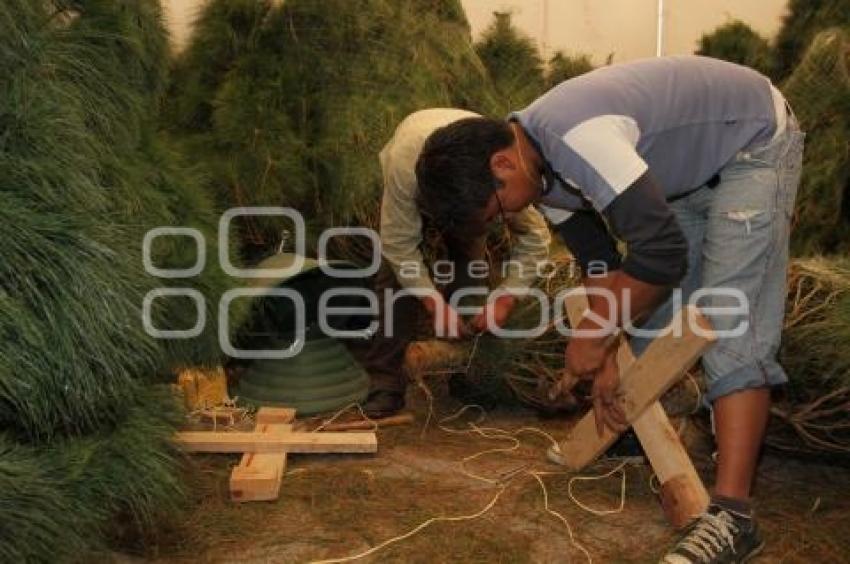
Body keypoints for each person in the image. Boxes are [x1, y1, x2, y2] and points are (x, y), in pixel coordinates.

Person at [414, 56, 804, 564]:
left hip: (751, 143)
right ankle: (642, 427)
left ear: (502, 164)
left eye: (500, 205)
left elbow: (660, 252)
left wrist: (596, 333)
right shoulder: (538, 170)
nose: (509, 214)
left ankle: (733, 518)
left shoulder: (576, 139)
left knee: (730, 319)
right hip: (687, 172)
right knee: (651, 318)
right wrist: (610, 355)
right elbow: (600, 264)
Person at [360, 108, 551, 417]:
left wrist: (506, 297)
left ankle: (465, 368)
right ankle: (386, 383)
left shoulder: (501, 182)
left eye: (490, 216)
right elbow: (399, 246)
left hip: (472, 183)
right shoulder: (405, 170)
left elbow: (536, 237)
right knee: (393, 279)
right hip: (413, 170)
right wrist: (433, 303)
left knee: (471, 267)